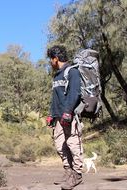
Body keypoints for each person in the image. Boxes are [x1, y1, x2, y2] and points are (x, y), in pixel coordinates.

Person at [46, 45, 83, 190]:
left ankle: (77, 174)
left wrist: (68, 112)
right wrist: (51, 115)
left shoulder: (72, 72)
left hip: (70, 116)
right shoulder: (56, 76)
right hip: (58, 117)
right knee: (60, 145)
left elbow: (75, 93)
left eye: (51, 59)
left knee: (73, 144)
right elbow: (55, 98)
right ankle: (68, 172)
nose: (50, 62)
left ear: (55, 59)